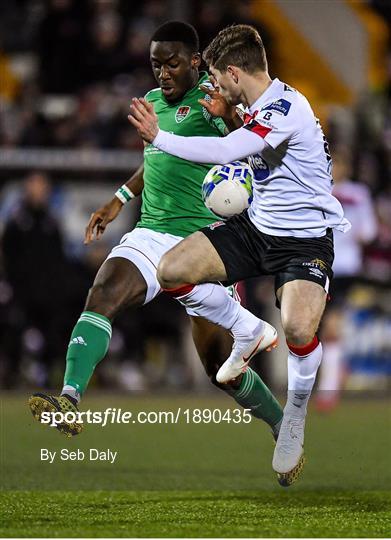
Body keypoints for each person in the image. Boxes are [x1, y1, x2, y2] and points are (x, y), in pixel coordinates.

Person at [29, 21, 287, 481]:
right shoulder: (149, 103)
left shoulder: (215, 99)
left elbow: (250, 146)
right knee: (103, 292)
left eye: (171, 64)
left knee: (218, 370)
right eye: (155, 64)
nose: (162, 73)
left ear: (193, 62)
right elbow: (156, 158)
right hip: (151, 235)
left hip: (206, 247)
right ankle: (68, 398)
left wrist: (227, 115)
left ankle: (280, 423)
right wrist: (119, 199)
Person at [128, 24, 351, 483]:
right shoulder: (254, 104)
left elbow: (232, 149)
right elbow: (250, 150)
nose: (212, 85)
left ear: (233, 72)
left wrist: (159, 137)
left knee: (296, 328)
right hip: (256, 229)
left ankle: (293, 417)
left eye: (216, 77)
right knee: (172, 270)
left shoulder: (287, 106)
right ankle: (246, 330)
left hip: (304, 239)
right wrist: (229, 113)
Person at [316, 148, 377, 411]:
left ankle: (327, 390)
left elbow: (369, 231)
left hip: (343, 268)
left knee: (331, 327)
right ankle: (335, 370)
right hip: (317, 267)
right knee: (314, 328)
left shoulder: (357, 194)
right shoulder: (314, 189)